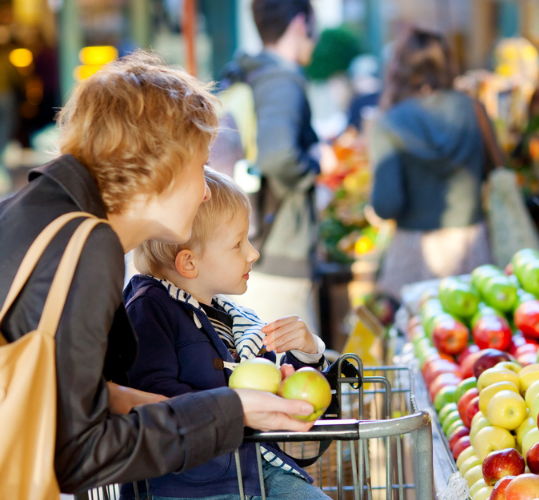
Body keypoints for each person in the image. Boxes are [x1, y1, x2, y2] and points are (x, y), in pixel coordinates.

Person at [0, 51, 316, 494]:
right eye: (200, 166)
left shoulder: (39, 210)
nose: (206, 192)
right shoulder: (85, 244)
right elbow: (81, 450)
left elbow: (77, 395)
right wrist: (230, 411)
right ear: (159, 165)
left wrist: (228, 408)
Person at [122, 169, 328, 499]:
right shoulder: (149, 310)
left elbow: (277, 386)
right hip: (192, 489)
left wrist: (306, 354)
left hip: (255, 474)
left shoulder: (228, 316)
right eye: (238, 243)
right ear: (189, 263)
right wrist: (234, 404)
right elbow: (153, 401)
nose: (253, 253)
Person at [369, 28, 493, 298]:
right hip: (471, 246)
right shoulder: (473, 109)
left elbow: (386, 204)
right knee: (479, 329)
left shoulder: (390, 123)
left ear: (399, 68)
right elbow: (492, 169)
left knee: (416, 333)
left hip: (415, 252)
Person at [223, 0, 323, 331]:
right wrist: (315, 163)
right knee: (294, 367)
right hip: (279, 253)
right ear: (300, 23)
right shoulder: (282, 80)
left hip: (257, 246)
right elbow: (278, 156)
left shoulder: (249, 72)